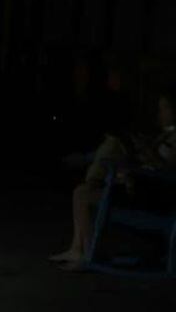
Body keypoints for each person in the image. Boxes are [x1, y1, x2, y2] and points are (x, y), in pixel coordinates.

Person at [50, 87, 176, 270]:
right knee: (82, 190)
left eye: (164, 108)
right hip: (140, 186)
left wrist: (146, 151)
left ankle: (88, 254)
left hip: (150, 196)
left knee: (84, 194)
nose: (160, 113)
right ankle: (78, 248)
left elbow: (168, 171)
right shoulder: (165, 134)